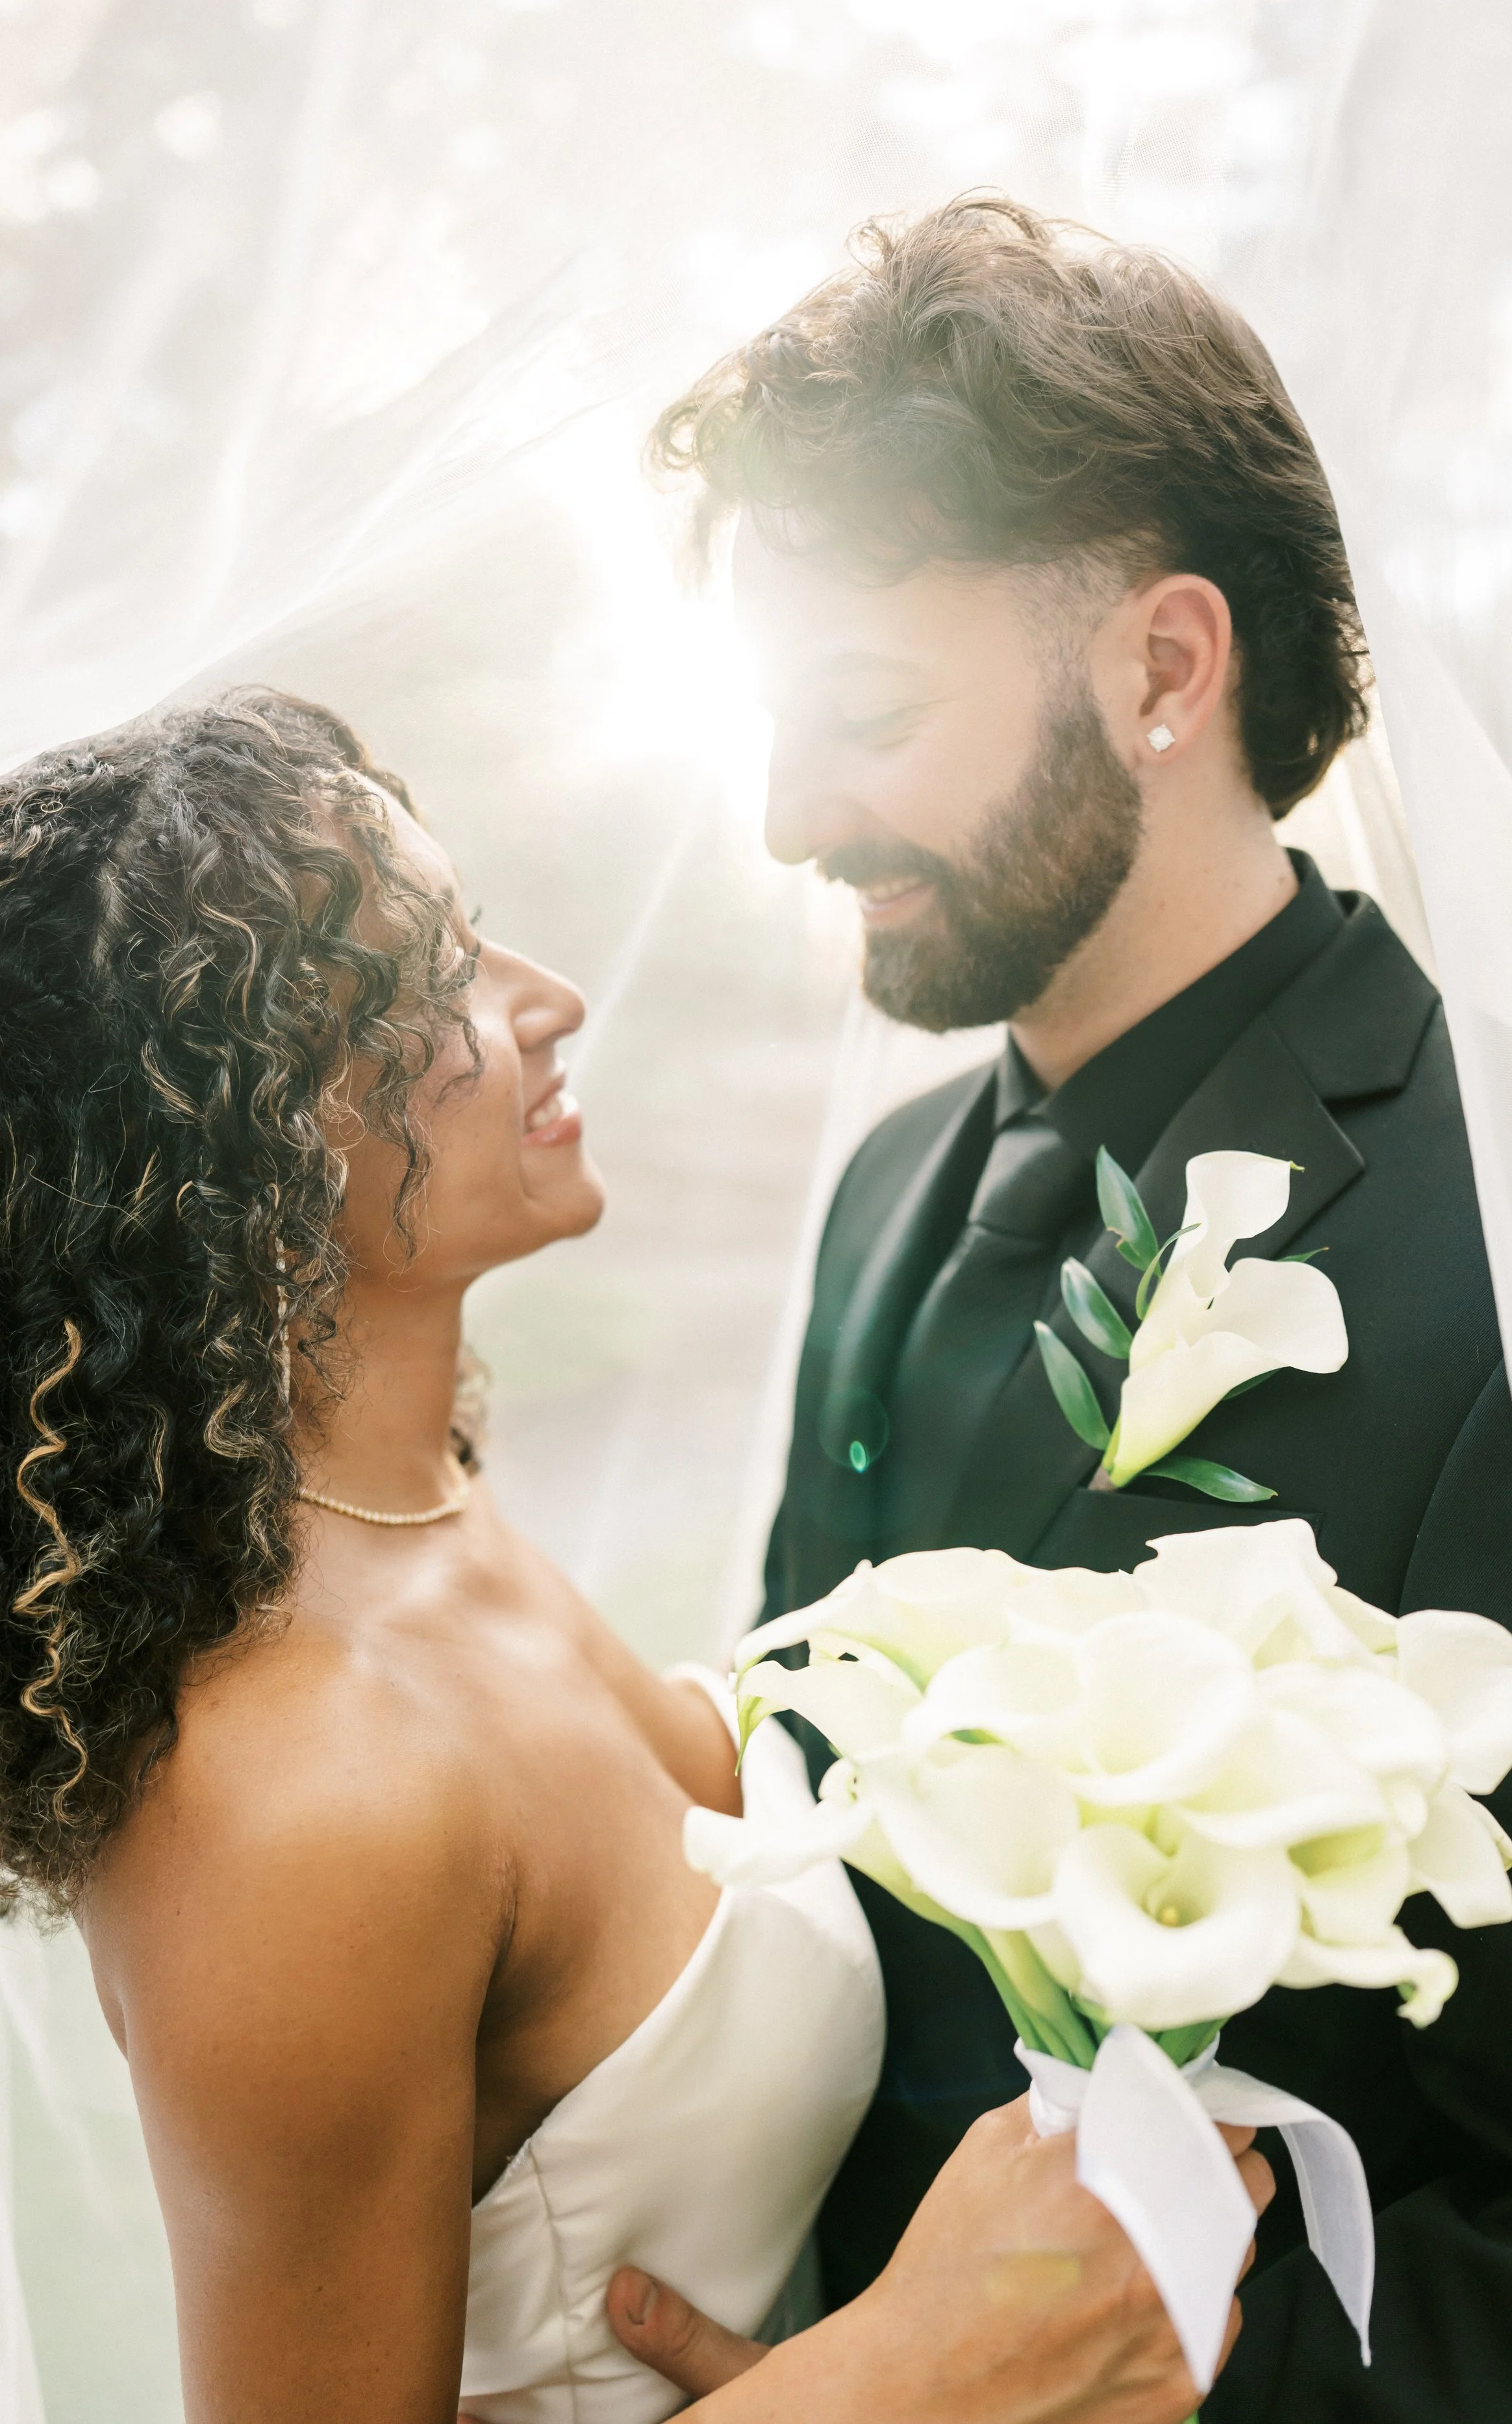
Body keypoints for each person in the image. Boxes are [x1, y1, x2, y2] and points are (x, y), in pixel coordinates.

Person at [620, 196, 1512, 2420]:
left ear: (1167, 669)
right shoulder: (887, 1193)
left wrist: (1123, 2358)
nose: (787, 817)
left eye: (863, 712)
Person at [0, 691, 1267, 2424]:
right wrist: (917, 2365)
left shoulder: (422, 1517)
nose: (547, 998)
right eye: (432, 969)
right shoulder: (294, 1799)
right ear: (233, 1140)